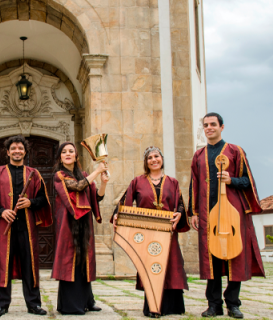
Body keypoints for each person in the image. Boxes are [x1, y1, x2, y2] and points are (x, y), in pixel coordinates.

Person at [189, 112, 264, 319]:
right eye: (206, 125)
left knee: (234, 256)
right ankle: (214, 305)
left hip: (232, 213)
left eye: (213, 124)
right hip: (206, 214)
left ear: (222, 127)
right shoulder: (198, 156)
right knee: (211, 259)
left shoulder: (235, 151)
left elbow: (248, 181)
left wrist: (232, 180)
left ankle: (233, 304)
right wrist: (194, 212)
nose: (209, 128)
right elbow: (194, 185)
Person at [0, 135, 53, 317]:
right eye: (13, 148)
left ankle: (34, 304)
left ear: (25, 152)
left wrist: (30, 203)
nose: (17, 151)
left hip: (27, 228)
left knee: (30, 265)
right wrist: (2, 211)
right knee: (3, 265)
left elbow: (43, 198)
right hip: (6, 226)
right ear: (8, 151)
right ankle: (2, 305)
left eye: (20, 148)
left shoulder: (34, 174)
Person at [113, 146, 190, 318]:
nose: (154, 160)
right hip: (146, 231)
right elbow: (125, 201)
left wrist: (179, 214)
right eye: (150, 158)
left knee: (171, 265)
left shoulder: (172, 182)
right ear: (146, 162)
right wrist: (118, 214)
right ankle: (153, 306)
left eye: (156, 156)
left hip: (168, 230)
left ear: (162, 159)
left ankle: (172, 306)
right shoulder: (137, 181)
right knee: (151, 267)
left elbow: (180, 204)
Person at [51, 142, 107, 315]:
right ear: (60, 157)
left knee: (84, 261)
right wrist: (96, 172)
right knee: (70, 260)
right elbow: (77, 187)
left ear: (76, 156)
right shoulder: (58, 175)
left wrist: (103, 182)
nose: (68, 154)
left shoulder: (83, 175)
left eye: (71, 151)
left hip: (84, 223)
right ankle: (71, 305)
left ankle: (88, 300)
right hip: (68, 222)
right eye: (64, 152)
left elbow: (96, 197)